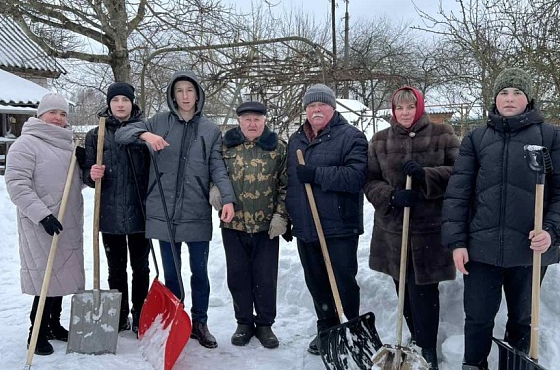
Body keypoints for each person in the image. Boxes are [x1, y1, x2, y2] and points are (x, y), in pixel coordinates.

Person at [441, 67, 560, 370]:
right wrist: (457, 242)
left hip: (530, 251)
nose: (509, 99)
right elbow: (459, 194)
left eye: (516, 93)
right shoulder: (476, 139)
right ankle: (473, 369)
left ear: (528, 99)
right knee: (477, 316)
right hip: (482, 249)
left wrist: (552, 232)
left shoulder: (552, 137)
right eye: (503, 92)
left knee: (523, 317)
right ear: (494, 99)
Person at [115, 70, 235, 349]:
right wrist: (145, 134)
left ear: (197, 95)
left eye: (189, 91)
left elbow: (217, 166)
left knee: (200, 273)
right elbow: (123, 133)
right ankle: (175, 320)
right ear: (173, 95)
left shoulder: (210, 129)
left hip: (196, 210)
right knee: (172, 273)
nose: (185, 96)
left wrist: (227, 198)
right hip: (163, 210)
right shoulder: (158, 121)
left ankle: (200, 323)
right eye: (179, 91)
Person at [364, 86, 460, 370]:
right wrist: (392, 196)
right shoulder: (380, 140)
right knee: (402, 286)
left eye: (410, 107)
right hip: (393, 228)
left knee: (424, 290)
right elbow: (369, 181)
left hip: (429, 229)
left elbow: (460, 173)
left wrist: (425, 175)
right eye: (399, 108)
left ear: (420, 108)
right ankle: (415, 340)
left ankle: (427, 349)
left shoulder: (443, 134)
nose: (404, 113)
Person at [285, 83, 369, 355]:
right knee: (317, 283)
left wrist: (317, 174)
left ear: (332, 108)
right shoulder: (296, 140)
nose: (316, 110)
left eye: (321, 105)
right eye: (311, 105)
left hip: (339, 226)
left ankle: (351, 331)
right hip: (306, 227)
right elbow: (290, 183)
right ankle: (327, 330)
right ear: (306, 110)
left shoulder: (351, 137)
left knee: (342, 282)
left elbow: (356, 177)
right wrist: (289, 218)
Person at [5, 93, 85, 356]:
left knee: (60, 273)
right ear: (40, 115)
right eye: (53, 113)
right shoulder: (26, 144)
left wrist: (85, 168)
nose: (58, 118)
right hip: (40, 222)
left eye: (63, 114)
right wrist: (42, 215)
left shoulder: (68, 146)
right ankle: (35, 332)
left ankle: (53, 324)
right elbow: (17, 185)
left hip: (66, 221)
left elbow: (77, 181)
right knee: (45, 277)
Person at [212, 101, 288, 349]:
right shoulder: (225, 147)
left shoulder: (277, 149)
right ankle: (243, 322)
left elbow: (286, 185)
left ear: (265, 121)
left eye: (257, 119)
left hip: (267, 226)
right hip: (234, 224)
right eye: (247, 119)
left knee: (265, 277)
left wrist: (281, 215)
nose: (252, 124)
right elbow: (213, 173)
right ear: (239, 121)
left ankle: (265, 325)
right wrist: (213, 190)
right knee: (238, 276)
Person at [84, 82, 150, 335]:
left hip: (140, 213)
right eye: (115, 100)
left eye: (125, 99)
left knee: (141, 267)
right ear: (109, 104)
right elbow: (87, 174)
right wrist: (92, 174)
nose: (120, 104)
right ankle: (119, 314)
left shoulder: (144, 130)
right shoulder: (95, 134)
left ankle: (140, 313)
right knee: (116, 268)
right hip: (109, 213)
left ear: (132, 103)